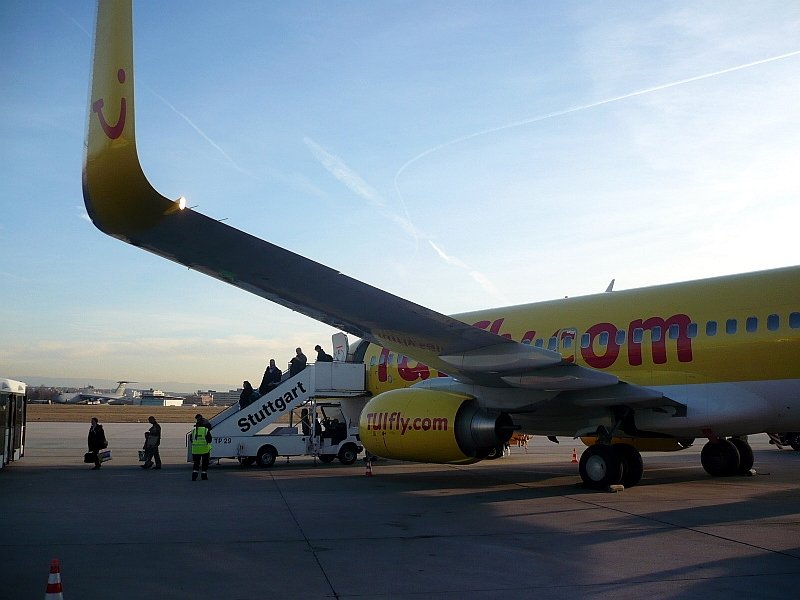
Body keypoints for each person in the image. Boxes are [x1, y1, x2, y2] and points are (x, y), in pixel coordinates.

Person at [190, 414, 213, 481]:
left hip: (195, 450)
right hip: (205, 450)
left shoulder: (194, 431)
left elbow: (191, 439)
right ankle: (204, 476)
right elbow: (209, 440)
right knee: (205, 464)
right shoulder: (205, 431)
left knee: (196, 464)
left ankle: (194, 476)